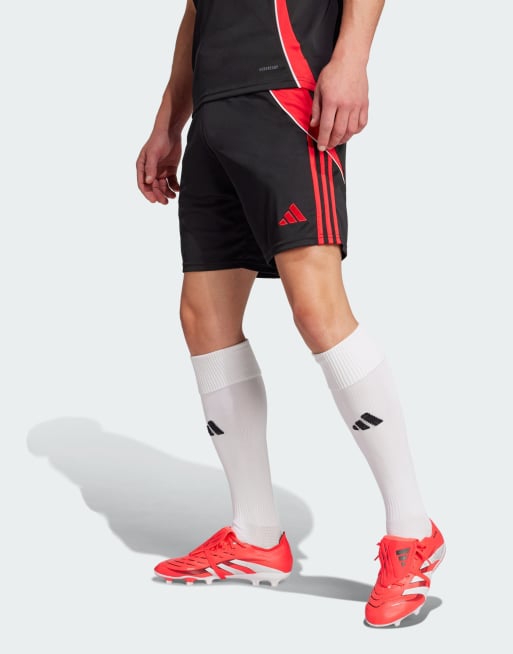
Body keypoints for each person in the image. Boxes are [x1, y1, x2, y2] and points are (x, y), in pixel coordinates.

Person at [136, 0, 445, 628]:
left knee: (316, 306)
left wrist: (352, 58)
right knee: (203, 315)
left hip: (287, 91)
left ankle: (413, 531)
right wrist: (170, 120)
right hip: (216, 107)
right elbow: (197, 10)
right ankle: (255, 533)